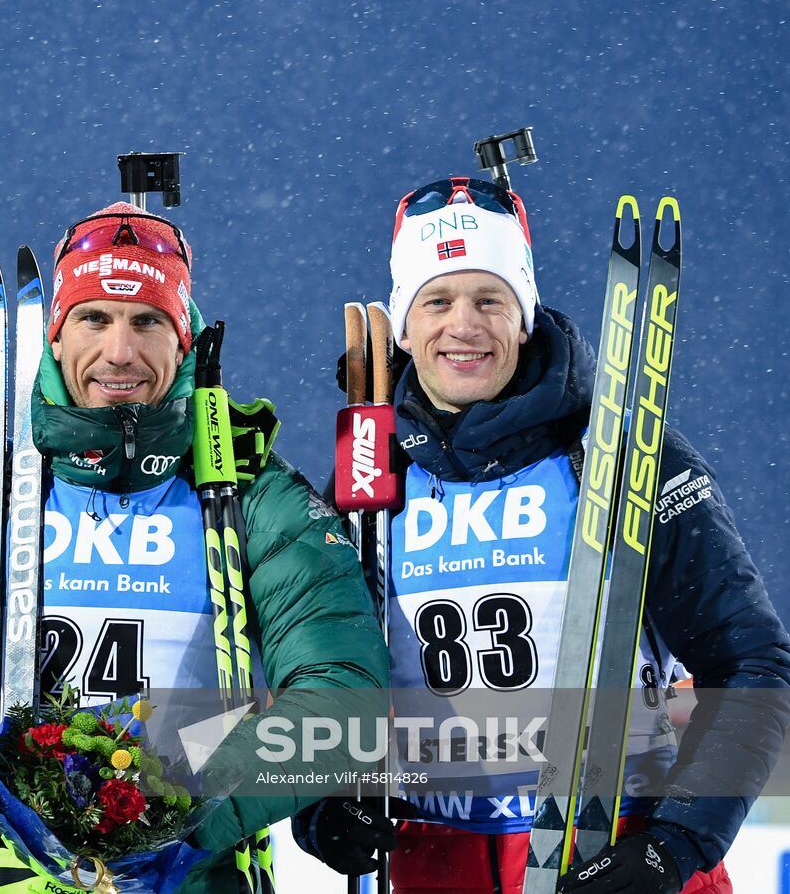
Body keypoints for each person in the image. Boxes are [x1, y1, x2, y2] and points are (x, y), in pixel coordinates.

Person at [0, 201, 390, 894]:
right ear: (55, 339)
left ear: (184, 343)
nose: (119, 352)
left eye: (147, 321)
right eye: (94, 318)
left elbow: (343, 696)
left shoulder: (253, 497)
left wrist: (179, 816)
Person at [291, 176, 790, 893]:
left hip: (612, 853)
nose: (463, 326)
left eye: (489, 300)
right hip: (434, 862)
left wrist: (678, 845)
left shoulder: (621, 453)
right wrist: (321, 807)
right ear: (402, 324)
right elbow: (314, 680)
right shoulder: (368, 483)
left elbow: (750, 662)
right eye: (436, 301)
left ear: (523, 316)